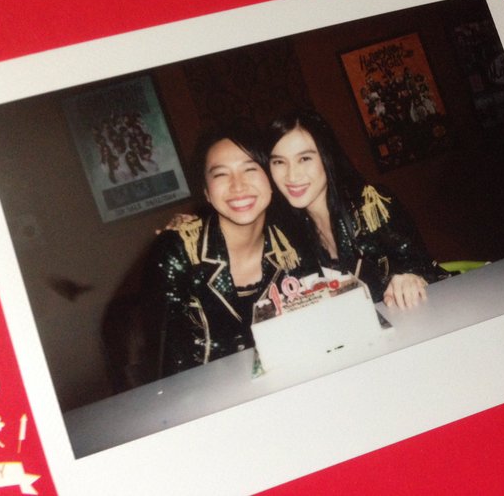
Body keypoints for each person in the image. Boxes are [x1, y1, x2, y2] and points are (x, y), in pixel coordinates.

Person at [141, 125, 317, 377]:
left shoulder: (292, 249)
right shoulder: (178, 253)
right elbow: (167, 365)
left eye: (250, 169)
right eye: (221, 174)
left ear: (272, 181)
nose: (237, 186)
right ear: (206, 192)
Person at [264, 109, 448, 309]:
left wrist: (410, 277)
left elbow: (425, 267)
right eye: (279, 162)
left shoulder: (371, 207)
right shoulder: (284, 237)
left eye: (305, 158)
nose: (292, 175)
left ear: (327, 157)